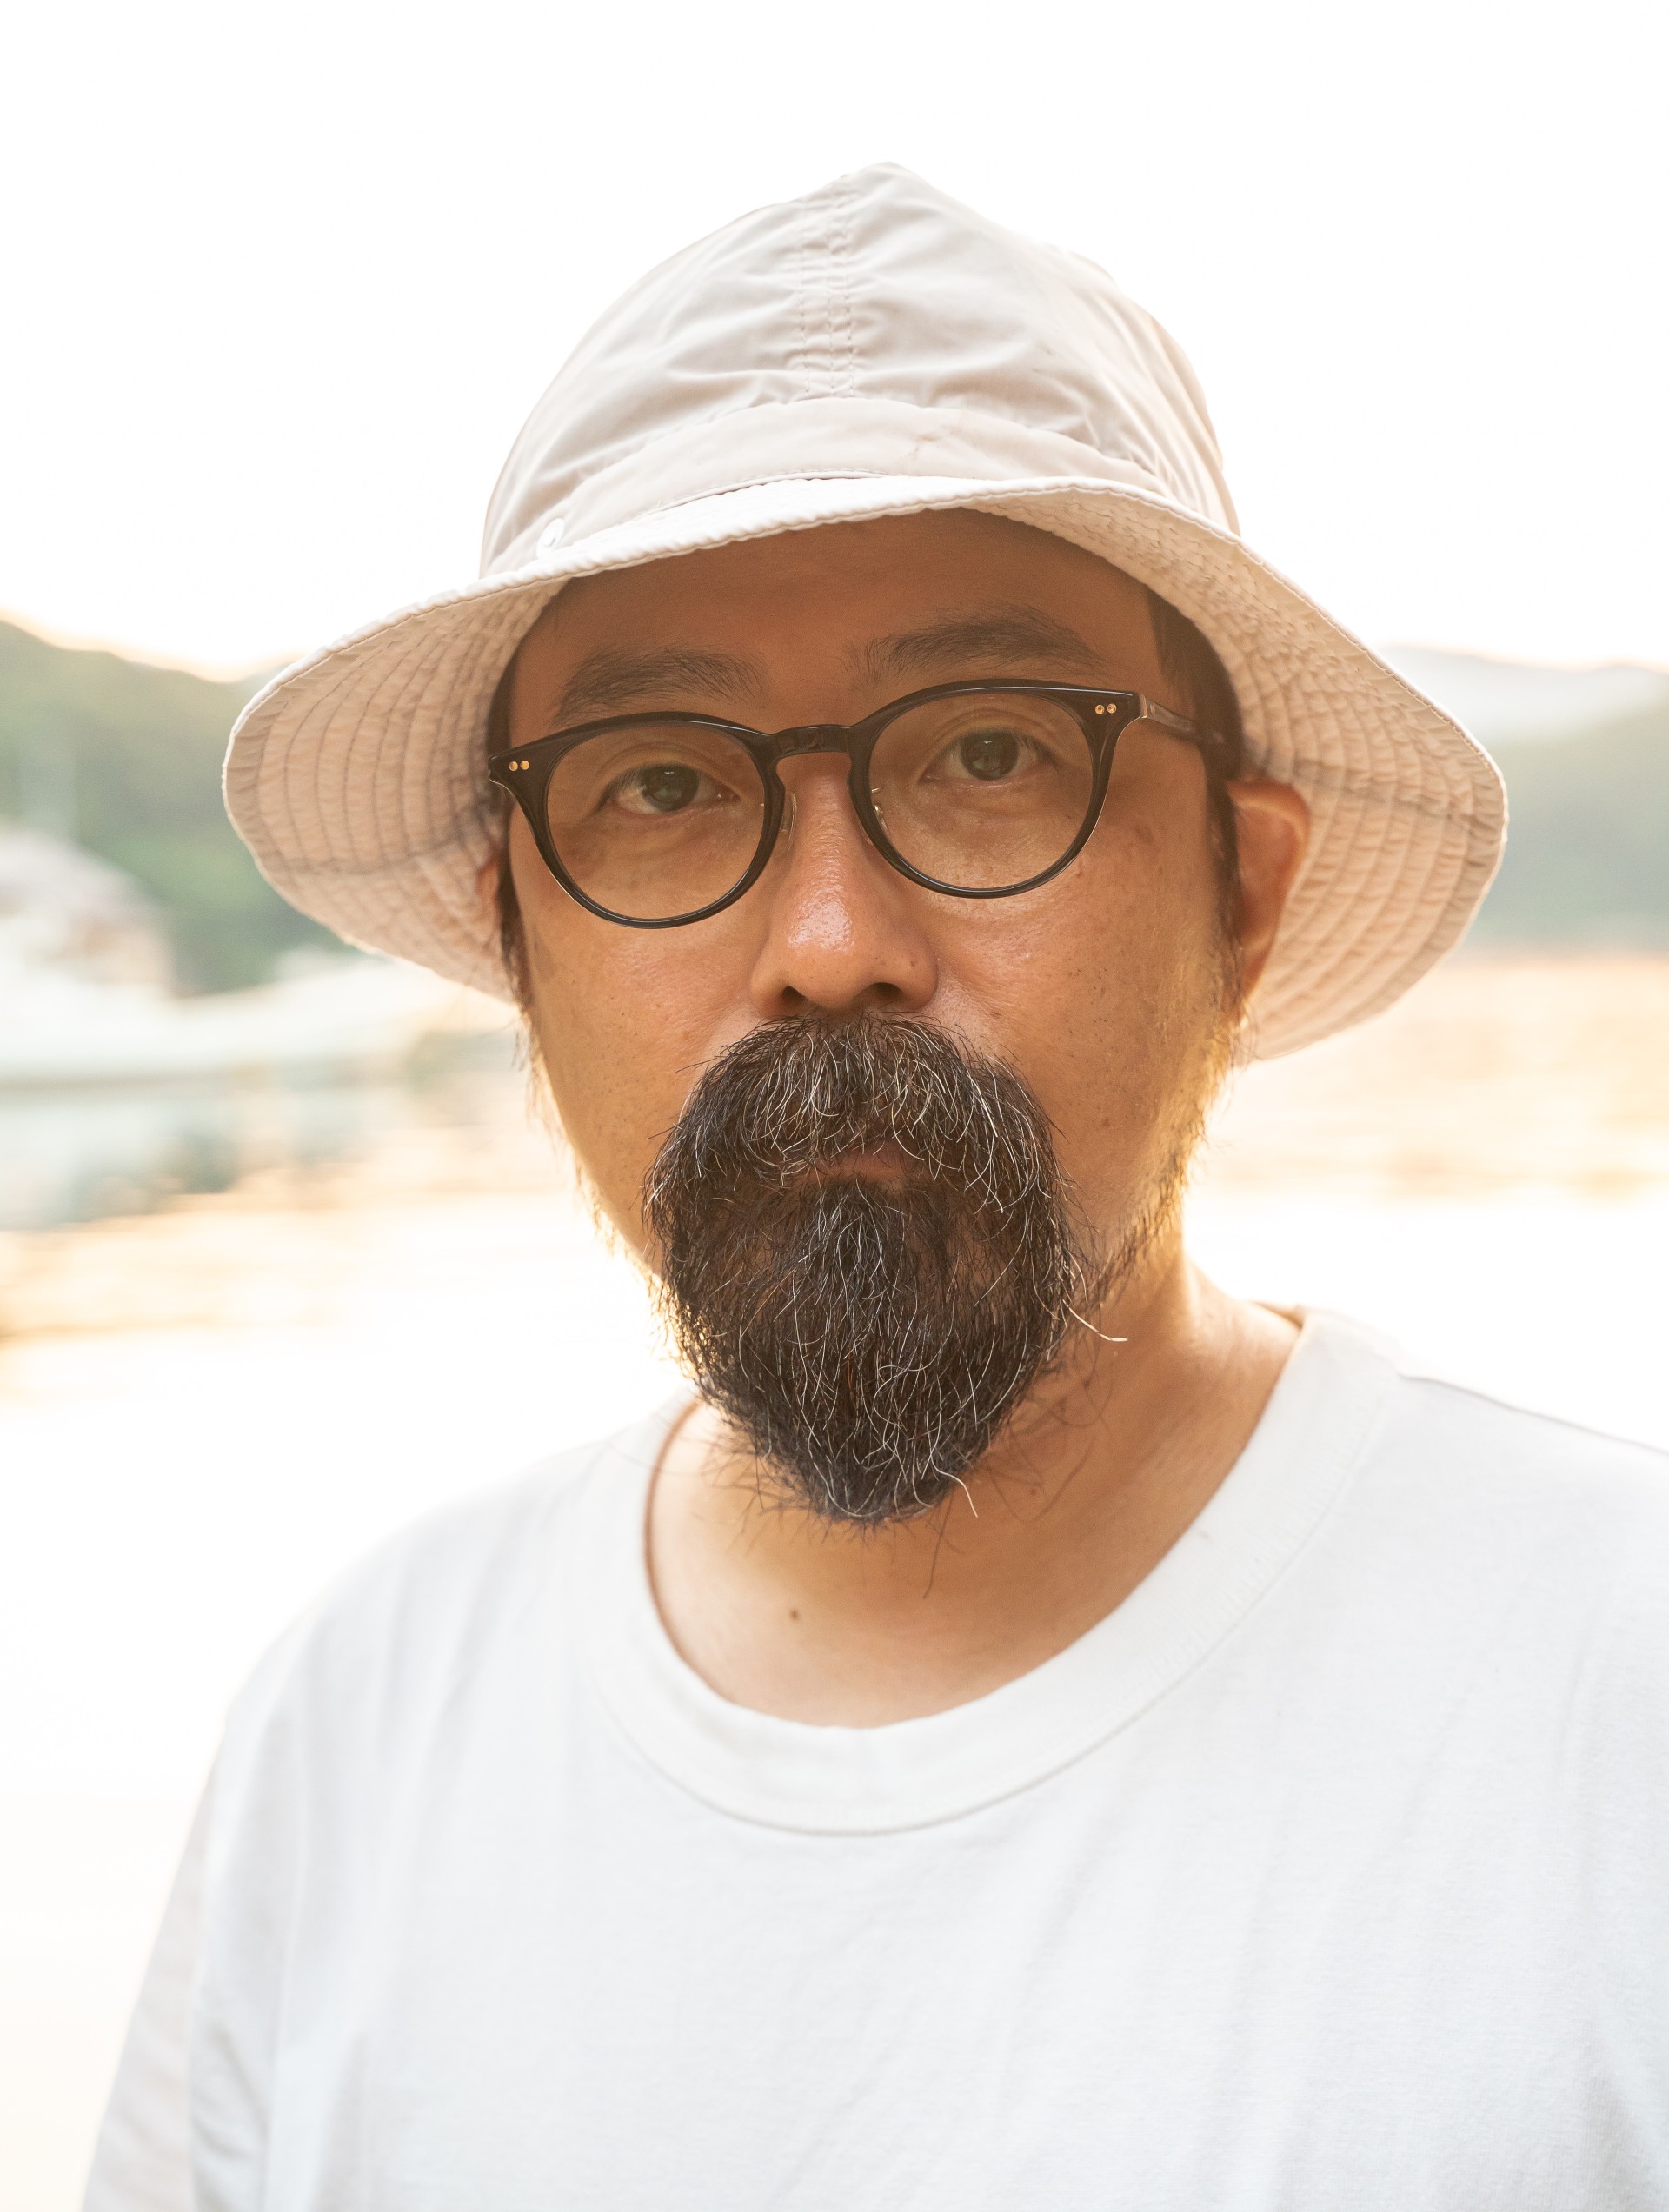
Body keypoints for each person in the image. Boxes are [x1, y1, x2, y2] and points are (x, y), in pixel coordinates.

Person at [88, 167, 1668, 2209]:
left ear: (1243, 895)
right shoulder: (360, 1734)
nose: (830, 940)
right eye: (662, 785)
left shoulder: (1607, 1690)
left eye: (991, 753)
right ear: (515, 941)